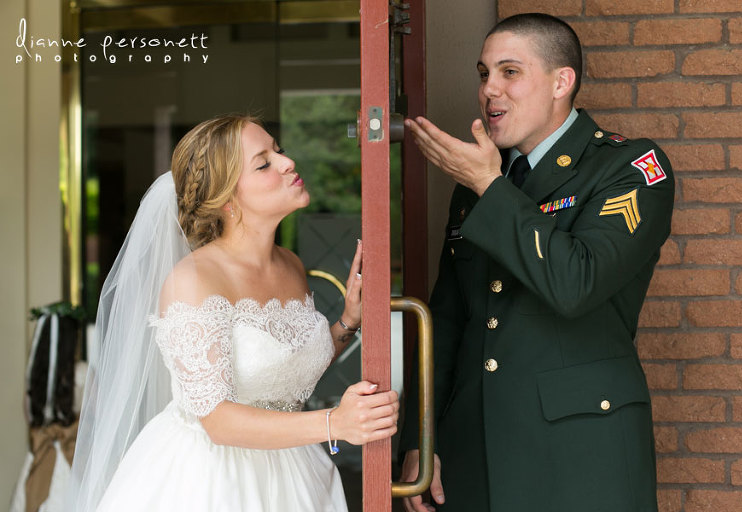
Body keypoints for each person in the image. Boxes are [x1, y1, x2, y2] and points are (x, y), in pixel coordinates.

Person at [399, 13, 674, 512]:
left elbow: (577, 282)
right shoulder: (483, 181)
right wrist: (422, 436)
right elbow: (448, 320)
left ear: (561, 81)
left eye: (510, 72)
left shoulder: (629, 168)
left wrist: (489, 186)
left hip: (580, 454)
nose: (490, 90)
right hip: (473, 449)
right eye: (484, 73)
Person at [67, 114, 399, 511]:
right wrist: (335, 423)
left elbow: (284, 372)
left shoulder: (290, 265)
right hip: (211, 479)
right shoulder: (193, 280)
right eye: (264, 163)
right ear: (227, 200)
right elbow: (218, 420)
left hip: (292, 473)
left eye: (278, 151)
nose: (287, 162)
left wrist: (348, 321)